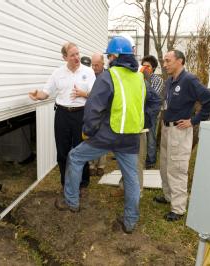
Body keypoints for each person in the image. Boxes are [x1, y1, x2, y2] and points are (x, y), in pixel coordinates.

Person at [54, 36, 153, 234]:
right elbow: (151, 102)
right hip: (131, 136)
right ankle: (130, 222)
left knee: (74, 157)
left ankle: (72, 201)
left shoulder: (109, 76)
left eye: (109, 55)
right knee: (132, 177)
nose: (108, 59)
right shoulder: (139, 78)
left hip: (107, 135)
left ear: (115, 56)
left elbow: (93, 107)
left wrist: (88, 131)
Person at [154, 50, 210, 222]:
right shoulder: (169, 81)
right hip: (167, 129)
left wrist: (194, 120)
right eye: (164, 61)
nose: (165, 64)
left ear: (180, 61)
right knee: (165, 165)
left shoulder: (189, 80)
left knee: (177, 169)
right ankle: (168, 196)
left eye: (168, 60)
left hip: (180, 130)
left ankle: (178, 208)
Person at [28, 42, 96, 192]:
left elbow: (95, 95)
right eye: (72, 55)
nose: (76, 57)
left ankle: (83, 183)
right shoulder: (57, 73)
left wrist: (83, 94)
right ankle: (65, 183)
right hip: (62, 114)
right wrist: (37, 95)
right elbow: (46, 92)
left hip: (81, 114)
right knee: (62, 150)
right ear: (65, 57)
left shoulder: (88, 72)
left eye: (77, 54)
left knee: (81, 149)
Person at [140, 55, 164, 169]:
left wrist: (147, 79)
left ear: (153, 68)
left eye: (148, 66)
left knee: (151, 137)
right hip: (140, 111)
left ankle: (150, 161)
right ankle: (140, 158)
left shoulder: (158, 80)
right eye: (143, 65)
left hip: (152, 113)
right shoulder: (138, 77)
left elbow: (153, 96)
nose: (145, 68)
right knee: (140, 137)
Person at [88, 53, 107, 176]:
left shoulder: (108, 75)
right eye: (92, 65)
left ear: (103, 64)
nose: (94, 68)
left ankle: (101, 165)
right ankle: (91, 164)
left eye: (97, 65)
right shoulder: (89, 75)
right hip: (91, 111)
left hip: (104, 111)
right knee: (90, 138)